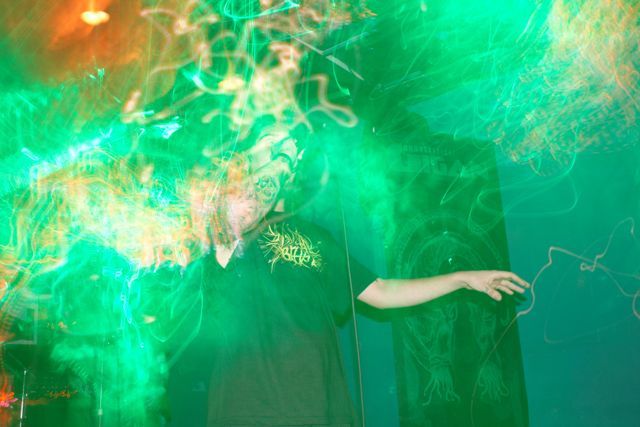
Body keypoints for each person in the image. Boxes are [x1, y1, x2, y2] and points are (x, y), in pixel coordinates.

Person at [202, 127, 529, 427]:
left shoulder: (316, 237)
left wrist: (461, 279)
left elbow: (381, 292)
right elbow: (241, 210)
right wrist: (272, 157)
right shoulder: (232, 220)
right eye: (271, 144)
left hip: (322, 412)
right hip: (249, 412)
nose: (283, 154)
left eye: (290, 151)